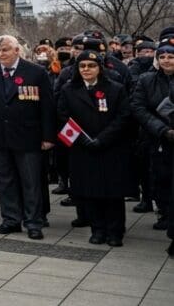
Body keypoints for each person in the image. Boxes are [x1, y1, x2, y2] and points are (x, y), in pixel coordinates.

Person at [0, 34, 55, 239]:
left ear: (16, 50)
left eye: (5, 50)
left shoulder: (36, 72)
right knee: (5, 181)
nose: (1, 54)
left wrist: (48, 136)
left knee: (31, 182)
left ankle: (33, 222)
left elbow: (47, 107)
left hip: (28, 136)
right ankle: (11, 220)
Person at [57, 49, 131, 246]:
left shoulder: (116, 88)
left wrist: (102, 139)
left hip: (110, 148)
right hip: (83, 149)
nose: (86, 69)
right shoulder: (68, 89)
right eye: (82, 66)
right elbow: (63, 117)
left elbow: (123, 117)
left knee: (113, 194)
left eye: (91, 66)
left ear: (100, 68)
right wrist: (83, 140)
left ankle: (115, 231)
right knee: (90, 192)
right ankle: (97, 229)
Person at [131, 39, 174, 246]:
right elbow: (138, 107)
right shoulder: (146, 80)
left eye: (171, 57)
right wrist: (162, 129)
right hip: (157, 138)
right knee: (160, 177)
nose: (166, 60)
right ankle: (164, 212)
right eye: (162, 57)